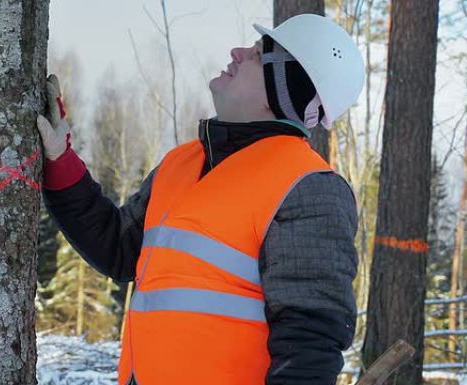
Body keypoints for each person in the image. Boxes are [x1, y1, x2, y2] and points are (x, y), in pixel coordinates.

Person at [37, 13, 364, 385]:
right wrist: (58, 159)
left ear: (284, 88)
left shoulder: (310, 187)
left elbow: (309, 344)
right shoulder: (184, 162)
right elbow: (118, 248)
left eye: (257, 55)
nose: (237, 52)